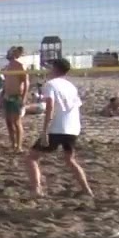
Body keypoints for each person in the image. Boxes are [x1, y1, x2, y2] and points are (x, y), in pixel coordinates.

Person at [25, 58, 92, 197]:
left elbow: (50, 106)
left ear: (55, 69)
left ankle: (36, 190)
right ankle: (87, 190)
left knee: (31, 158)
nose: (48, 69)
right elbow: (76, 107)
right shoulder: (70, 86)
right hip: (73, 128)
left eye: (50, 67)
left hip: (57, 128)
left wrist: (44, 131)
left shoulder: (50, 84)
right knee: (70, 160)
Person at [1, 46, 29, 151]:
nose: (9, 53)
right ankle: (13, 144)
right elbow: (6, 82)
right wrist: (2, 95)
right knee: (8, 122)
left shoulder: (20, 65)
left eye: (12, 52)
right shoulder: (8, 66)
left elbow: (26, 82)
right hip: (7, 96)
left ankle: (19, 146)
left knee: (16, 122)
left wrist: (24, 98)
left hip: (16, 96)